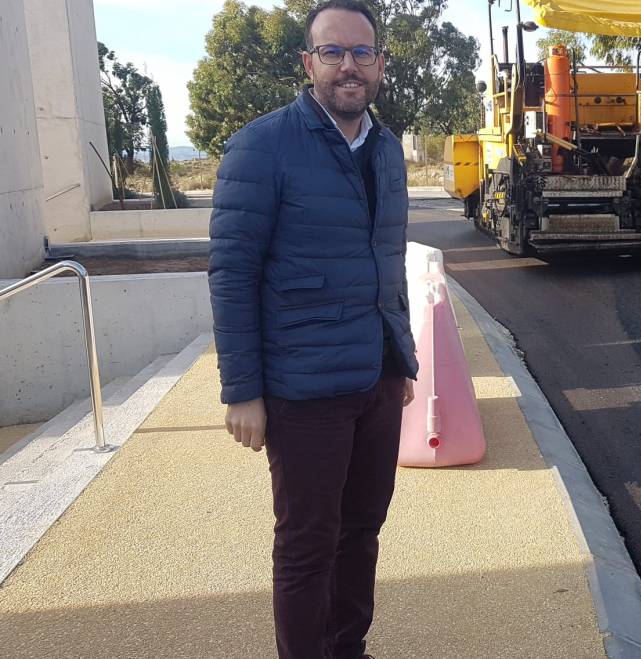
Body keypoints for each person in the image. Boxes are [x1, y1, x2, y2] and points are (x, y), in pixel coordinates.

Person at [208, 1, 417, 657]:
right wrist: (242, 390)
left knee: (362, 530)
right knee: (306, 544)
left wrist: (401, 358)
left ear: (381, 64)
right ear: (309, 63)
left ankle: (347, 647)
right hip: (303, 390)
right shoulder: (261, 146)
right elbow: (232, 273)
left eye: (361, 52)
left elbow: (389, 259)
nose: (349, 65)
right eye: (333, 52)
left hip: (376, 380)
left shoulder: (385, 150)